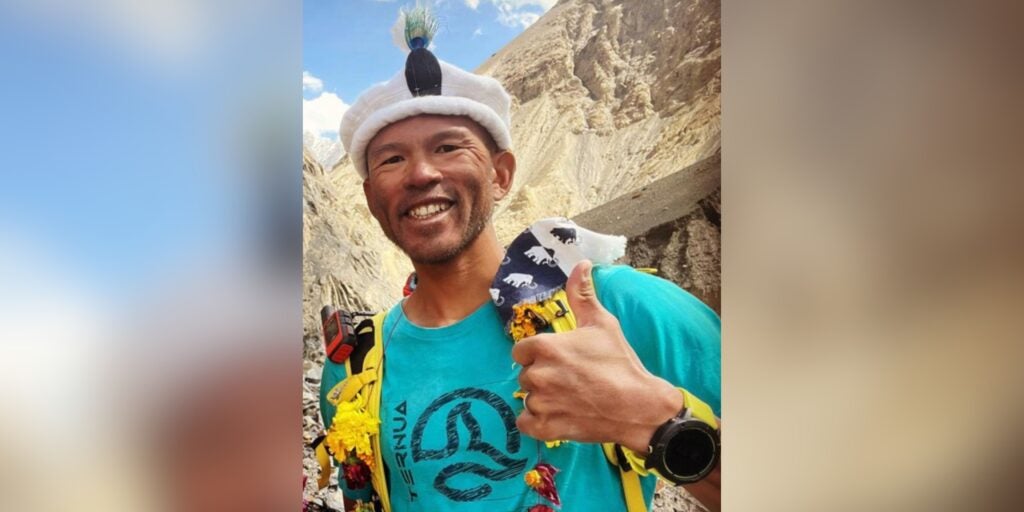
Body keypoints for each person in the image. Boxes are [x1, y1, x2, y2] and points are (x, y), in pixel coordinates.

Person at [321, 8, 720, 512]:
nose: (420, 174)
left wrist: (657, 425)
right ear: (371, 197)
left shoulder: (619, 306)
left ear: (501, 175)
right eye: (392, 159)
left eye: (448, 147)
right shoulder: (353, 367)